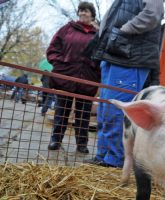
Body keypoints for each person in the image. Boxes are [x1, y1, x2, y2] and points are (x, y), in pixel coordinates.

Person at [84, 0, 164, 167]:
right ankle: (104, 155)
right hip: (114, 54)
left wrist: (123, 31)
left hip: (129, 57)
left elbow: (152, 14)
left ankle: (115, 159)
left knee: (117, 111)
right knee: (105, 109)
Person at [46, 1, 100, 154]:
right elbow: (52, 48)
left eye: (87, 11)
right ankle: (55, 140)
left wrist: (96, 70)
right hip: (66, 76)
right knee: (62, 110)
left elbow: (102, 55)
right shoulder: (67, 29)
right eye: (81, 11)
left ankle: (81, 145)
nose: (83, 13)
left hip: (88, 79)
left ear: (92, 15)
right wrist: (59, 62)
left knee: (83, 114)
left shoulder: (98, 34)